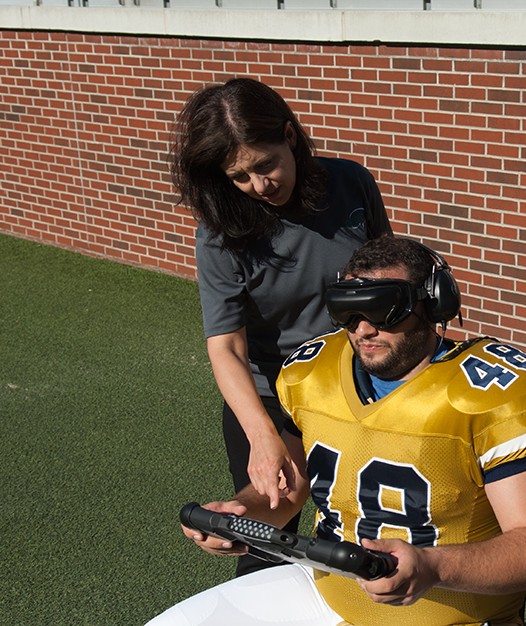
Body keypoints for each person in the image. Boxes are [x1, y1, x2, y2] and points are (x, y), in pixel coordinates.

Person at [149, 236, 526, 626]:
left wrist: (431, 566)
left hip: (449, 615)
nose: (363, 330)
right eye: (349, 312)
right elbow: (289, 489)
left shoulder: (494, 391)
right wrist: (243, 512)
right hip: (325, 592)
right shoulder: (311, 372)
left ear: (434, 302)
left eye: (383, 310)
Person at [171, 78, 392, 575]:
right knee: (267, 542)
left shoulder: (351, 182)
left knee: (376, 532)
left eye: (265, 165)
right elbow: (226, 346)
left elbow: (388, 276)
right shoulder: (219, 231)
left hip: (359, 383)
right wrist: (263, 436)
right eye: (240, 176)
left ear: (290, 136)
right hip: (274, 396)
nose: (259, 186)